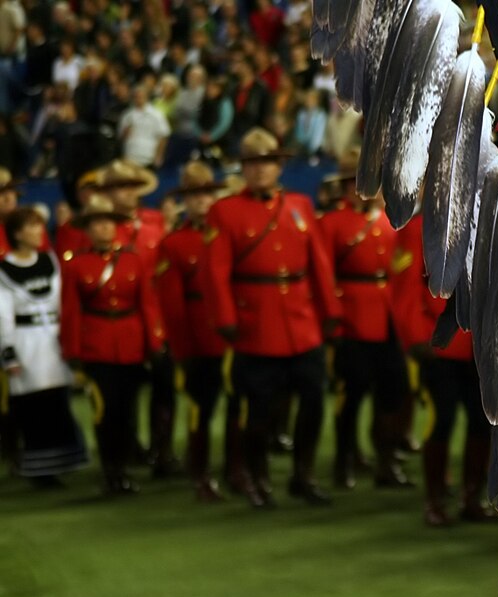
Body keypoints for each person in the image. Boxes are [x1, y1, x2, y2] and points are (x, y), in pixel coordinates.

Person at [202, 127, 342, 508]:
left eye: (267, 163)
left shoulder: (298, 205)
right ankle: (256, 478)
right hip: (256, 324)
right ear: (243, 169)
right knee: (259, 411)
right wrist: (227, 320)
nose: (260, 170)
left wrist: (330, 310)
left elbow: (319, 263)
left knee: (313, 403)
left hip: (302, 322)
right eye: (252, 164)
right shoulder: (224, 211)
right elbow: (216, 273)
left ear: (279, 167)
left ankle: (303, 475)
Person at [393, 213, 494, 525]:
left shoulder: (487, 222)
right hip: (439, 346)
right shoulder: (418, 228)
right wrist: (416, 338)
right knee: (441, 422)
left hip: (479, 345)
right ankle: (434, 502)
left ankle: (471, 499)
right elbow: (405, 288)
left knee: (482, 423)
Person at [60, 194, 165, 494]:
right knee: (105, 412)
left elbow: (147, 304)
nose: (104, 229)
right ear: (88, 230)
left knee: (127, 409)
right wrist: (74, 352)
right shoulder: (77, 264)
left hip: (130, 344)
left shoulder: (132, 258)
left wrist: (153, 342)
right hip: (97, 345)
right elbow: (71, 311)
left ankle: (124, 467)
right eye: (96, 224)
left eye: (108, 223)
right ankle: (111, 471)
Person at [318, 164, 413, 490]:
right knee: (351, 395)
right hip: (352, 317)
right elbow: (323, 272)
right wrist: (332, 320)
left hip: (388, 316)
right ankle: (344, 462)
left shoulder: (391, 219)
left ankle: (386, 462)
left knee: (393, 393)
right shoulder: (331, 223)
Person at [155, 160, 239, 501]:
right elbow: (173, 308)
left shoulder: (227, 233)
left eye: (206, 194)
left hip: (234, 338)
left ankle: (237, 469)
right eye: (193, 196)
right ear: (184, 202)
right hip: (199, 340)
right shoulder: (174, 243)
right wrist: (183, 350)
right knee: (200, 410)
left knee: (239, 407)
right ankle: (200, 473)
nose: (201, 202)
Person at [0, 207, 87, 485]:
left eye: (40, 226)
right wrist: (8, 352)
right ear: (17, 233)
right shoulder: (4, 270)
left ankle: (64, 458)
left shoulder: (50, 261)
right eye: (32, 226)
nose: (39, 232)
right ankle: (40, 468)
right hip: (26, 341)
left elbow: (64, 302)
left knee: (57, 400)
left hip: (53, 339)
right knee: (32, 405)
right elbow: (3, 314)